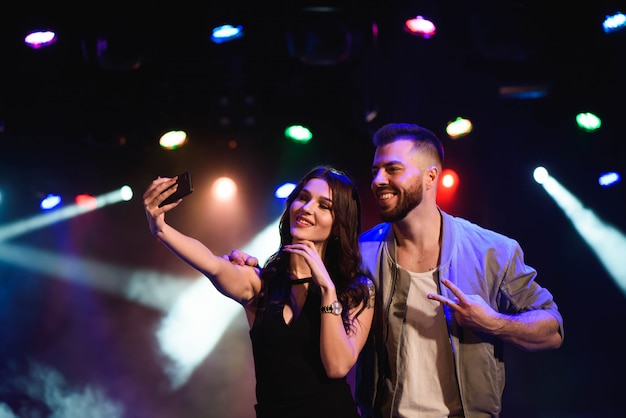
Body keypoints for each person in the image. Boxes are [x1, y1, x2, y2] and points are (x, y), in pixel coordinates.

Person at [230, 123, 564, 418]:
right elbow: (302, 278)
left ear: (431, 176)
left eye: (392, 169)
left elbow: (552, 330)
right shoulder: (359, 254)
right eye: (375, 170)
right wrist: (257, 268)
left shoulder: (492, 250)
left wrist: (491, 321)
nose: (377, 181)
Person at [143, 165, 375, 418]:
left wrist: (328, 291)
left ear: (340, 223)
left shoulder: (357, 291)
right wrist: (161, 228)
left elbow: (337, 366)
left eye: (324, 206)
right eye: (304, 198)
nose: (307, 208)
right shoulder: (261, 284)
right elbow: (211, 263)